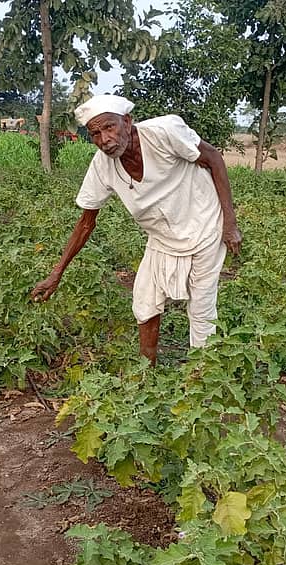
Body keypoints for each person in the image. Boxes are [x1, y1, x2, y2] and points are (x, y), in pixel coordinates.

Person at [30, 94, 242, 365]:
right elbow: (86, 222)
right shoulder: (102, 166)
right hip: (162, 237)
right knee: (144, 300)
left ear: (127, 122)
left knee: (201, 307)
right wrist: (55, 274)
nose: (104, 140)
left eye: (109, 127)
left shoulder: (164, 132)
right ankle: (147, 372)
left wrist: (230, 223)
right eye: (95, 133)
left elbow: (213, 158)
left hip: (204, 225)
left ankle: (203, 379)